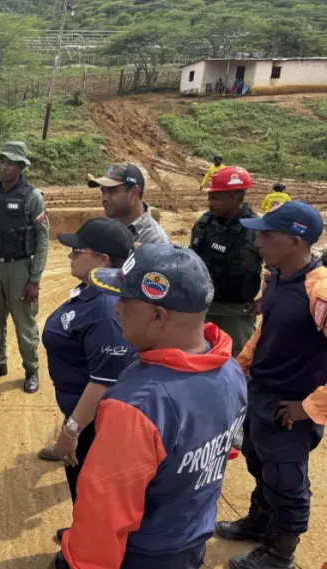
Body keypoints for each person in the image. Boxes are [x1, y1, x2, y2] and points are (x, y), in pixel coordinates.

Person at [54, 243, 247, 569]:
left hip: (141, 554)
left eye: (125, 301)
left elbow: (103, 517)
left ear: (158, 316)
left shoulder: (137, 406)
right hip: (190, 539)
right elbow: (221, 449)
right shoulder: (228, 370)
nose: (116, 309)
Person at [216, 201, 327, 569]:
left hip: (292, 409)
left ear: (296, 241)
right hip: (262, 394)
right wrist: (240, 367)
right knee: (258, 461)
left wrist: (309, 407)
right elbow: (266, 331)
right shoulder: (277, 276)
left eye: (267, 234)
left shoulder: (320, 291)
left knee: (286, 480)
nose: (257, 242)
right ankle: (259, 523)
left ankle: (281, 554)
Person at [42, 218, 137, 539]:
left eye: (77, 250)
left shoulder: (105, 307)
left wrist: (72, 430)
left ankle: (88, 548)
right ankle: (86, 535)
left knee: (92, 488)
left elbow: (105, 380)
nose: (70, 254)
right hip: (85, 415)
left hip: (95, 423)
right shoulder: (92, 293)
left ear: (104, 260)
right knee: (84, 489)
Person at [0, 141, 49, 394]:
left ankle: (31, 369)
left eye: (11, 163)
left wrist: (35, 279)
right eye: (2, 161)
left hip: (20, 269)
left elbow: (43, 240)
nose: (4, 167)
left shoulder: (32, 197)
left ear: (21, 166)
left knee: (24, 323)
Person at [190, 166, 263, 356]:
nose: (209, 203)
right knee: (200, 358)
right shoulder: (204, 223)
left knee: (237, 361)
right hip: (202, 309)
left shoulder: (255, 229)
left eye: (215, 197)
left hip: (236, 314)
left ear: (234, 198)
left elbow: (278, 268)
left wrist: (265, 300)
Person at [88, 163, 170, 244]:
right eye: (103, 191)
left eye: (112, 191)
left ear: (134, 193)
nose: (104, 198)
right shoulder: (108, 228)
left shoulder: (155, 241)